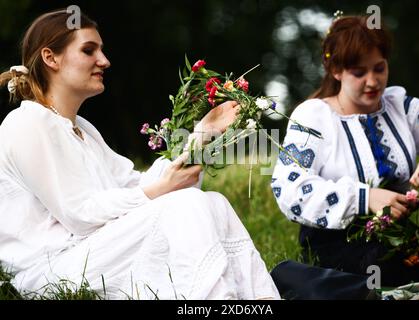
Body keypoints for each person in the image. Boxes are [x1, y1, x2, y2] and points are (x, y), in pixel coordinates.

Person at [0, 9, 280, 300]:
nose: (104, 61)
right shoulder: (26, 123)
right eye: (88, 50)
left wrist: (200, 135)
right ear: (51, 58)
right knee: (185, 205)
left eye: (102, 50)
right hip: (50, 269)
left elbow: (135, 183)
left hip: (90, 250)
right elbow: (80, 214)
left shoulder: (81, 128)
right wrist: (159, 189)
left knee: (215, 203)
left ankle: (260, 301)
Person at [271, 15, 419, 290]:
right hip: (336, 243)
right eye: (359, 72)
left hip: (398, 239)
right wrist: (364, 197)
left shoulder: (397, 105)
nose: (372, 81)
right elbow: (288, 187)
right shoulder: (314, 117)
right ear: (336, 70)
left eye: (379, 68)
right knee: (386, 276)